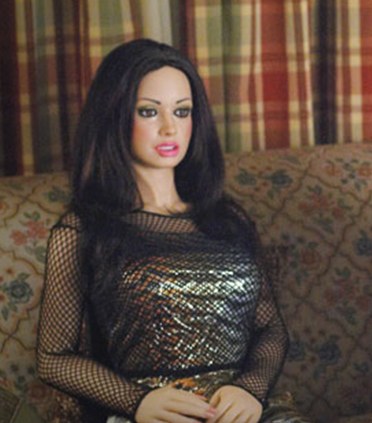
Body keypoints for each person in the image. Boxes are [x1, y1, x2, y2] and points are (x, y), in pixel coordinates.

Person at [37, 39, 292, 423]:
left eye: (182, 111)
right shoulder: (82, 230)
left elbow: (271, 329)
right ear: (114, 116)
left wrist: (250, 389)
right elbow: (53, 358)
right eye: (148, 111)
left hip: (240, 413)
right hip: (151, 415)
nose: (170, 128)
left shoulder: (228, 221)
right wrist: (137, 402)